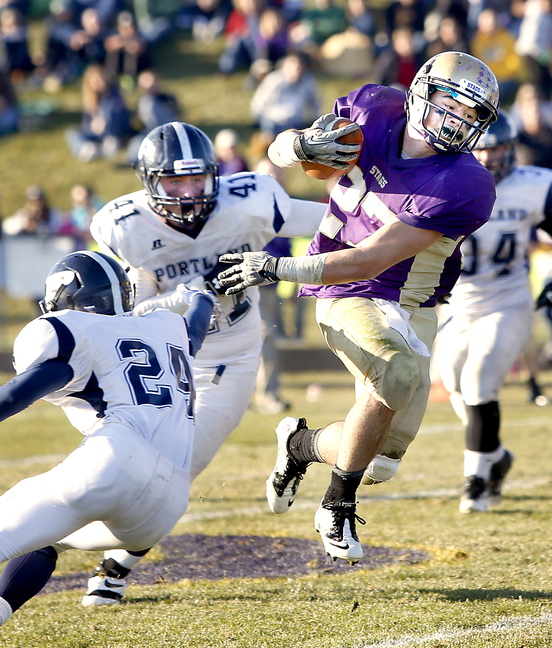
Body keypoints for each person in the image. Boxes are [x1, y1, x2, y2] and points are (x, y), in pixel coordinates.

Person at [218, 52, 500, 563]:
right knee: (395, 372)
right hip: (345, 289)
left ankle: (300, 445)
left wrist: (276, 268)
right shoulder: (374, 110)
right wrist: (297, 144)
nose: (456, 121)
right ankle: (335, 503)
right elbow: (293, 154)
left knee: (379, 462)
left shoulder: (467, 183)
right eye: (449, 104)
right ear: (421, 93)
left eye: (469, 116)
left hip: (409, 302)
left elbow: (373, 257)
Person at [82, 121, 327, 604]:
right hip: (159, 357)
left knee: (176, 473)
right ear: (150, 182)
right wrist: (189, 296)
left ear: (214, 175)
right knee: (122, 464)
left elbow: (337, 219)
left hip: (229, 358)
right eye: (174, 181)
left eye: (196, 179)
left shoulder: (251, 201)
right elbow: (130, 311)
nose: (189, 192)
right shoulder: (123, 228)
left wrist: (401, 221)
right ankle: (63, 533)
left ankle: (114, 565)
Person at [0, 250, 215, 623]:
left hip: (115, 459)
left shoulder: (76, 331)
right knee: (47, 536)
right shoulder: (165, 326)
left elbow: (16, 395)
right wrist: (201, 298)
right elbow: (195, 328)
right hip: (164, 507)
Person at [433, 111, 552, 513]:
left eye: (496, 145)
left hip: (509, 299)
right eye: (480, 145)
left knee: (480, 380)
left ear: (512, 146)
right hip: (458, 303)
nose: (488, 154)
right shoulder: (445, 180)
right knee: (456, 385)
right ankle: (495, 456)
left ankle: (476, 483)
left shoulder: (534, 185)